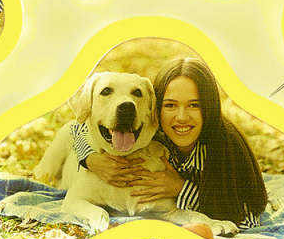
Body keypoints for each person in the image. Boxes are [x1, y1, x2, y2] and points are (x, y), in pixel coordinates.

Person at [72, 57, 267, 227]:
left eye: (194, 105)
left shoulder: (225, 149)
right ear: (155, 108)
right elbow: (77, 128)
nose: (181, 117)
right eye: (170, 105)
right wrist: (90, 159)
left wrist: (181, 189)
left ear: (210, 107)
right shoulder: (155, 134)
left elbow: (247, 215)